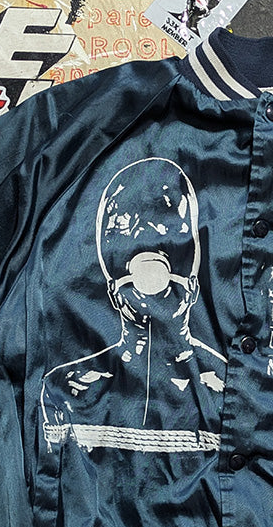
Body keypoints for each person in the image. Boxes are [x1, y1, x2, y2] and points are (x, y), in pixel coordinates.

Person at [41, 156, 227, 455]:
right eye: (128, 237)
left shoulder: (229, 388)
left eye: (170, 235)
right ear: (112, 288)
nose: (151, 271)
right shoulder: (67, 387)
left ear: (193, 285)